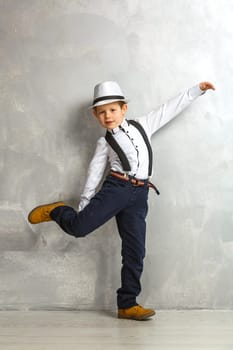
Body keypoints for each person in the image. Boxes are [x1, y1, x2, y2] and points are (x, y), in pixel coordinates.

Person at [28, 80, 215, 320]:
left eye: (112, 110)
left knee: (135, 250)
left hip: (140, 194)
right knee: (79, 228)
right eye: (102, 112)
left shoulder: (143, 125)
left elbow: (170, 108)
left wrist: (197, 90)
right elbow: (94, 174)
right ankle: (57, 211)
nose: (108, 116)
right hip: (117, 188)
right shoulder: (104, 142)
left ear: (124, 109)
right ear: (96, 115)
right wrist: (83, 207)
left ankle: (127, 304)